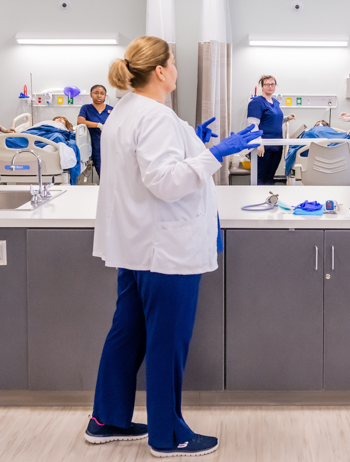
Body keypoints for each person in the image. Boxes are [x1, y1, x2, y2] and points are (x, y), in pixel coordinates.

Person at [86, 35, 261, 458]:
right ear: (161, 71)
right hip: (165, 250)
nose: (177, 69)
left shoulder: (125, 111)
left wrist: (192, 142)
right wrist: (215, 151)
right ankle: (168, 436)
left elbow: (150, 165)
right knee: (166, 341)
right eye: (175, 63)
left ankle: (107, 418)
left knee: (127, 334)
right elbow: (165, 183)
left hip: (136, 246)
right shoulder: (155, 116)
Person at [247, 75, 295, 185]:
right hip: (263, 147)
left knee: (269, 178)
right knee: (260, 178)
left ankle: (268, 200)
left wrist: (286, 119)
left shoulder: (275, 102)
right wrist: (259, 142)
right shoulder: (256, 103)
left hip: (277, 146)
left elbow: (271, 120)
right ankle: (256, 199)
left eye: (272, 84)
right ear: (262, 86)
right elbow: (253, 125)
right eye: (267, 84)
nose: (270, 86)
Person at [77, 85, 113, 175]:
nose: (99, 96)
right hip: (95, 144)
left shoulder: (111, 109)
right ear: (91, 94)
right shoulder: (86, 108)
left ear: (105, 96)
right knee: (102, 172)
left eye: (102, 93)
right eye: (96, 93)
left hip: (111, 143)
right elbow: (80, 121)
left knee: (113, 172)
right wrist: (98, 125)